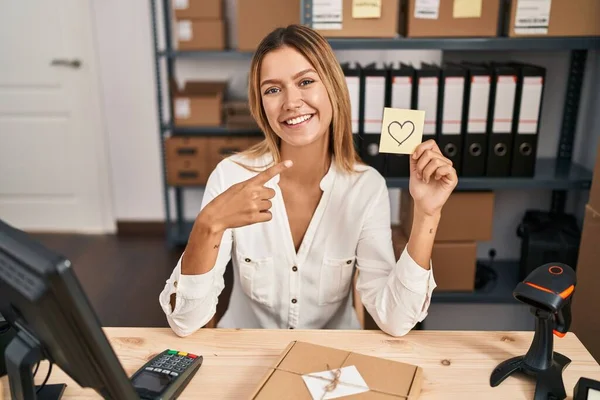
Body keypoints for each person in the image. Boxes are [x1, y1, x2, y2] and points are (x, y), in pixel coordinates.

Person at [159, 24, 457, 337]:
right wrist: (208, 225)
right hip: (248, 353)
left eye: (305, 81)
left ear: (333, 87)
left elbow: (395, 321)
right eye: (273, 90)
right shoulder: (232, 176)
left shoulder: (366, 187)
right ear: (260, 105)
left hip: (331, 364)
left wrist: (427, 214)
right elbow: (185, 322)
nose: (291, 102)